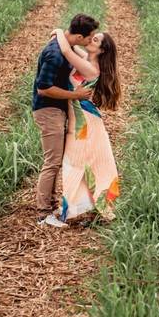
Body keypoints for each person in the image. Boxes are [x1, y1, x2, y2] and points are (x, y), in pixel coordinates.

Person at [41, 27, 123, 228]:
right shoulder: (87, 59)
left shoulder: (92, 68)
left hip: (85, 124)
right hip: (80, 122)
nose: (90, 40)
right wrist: (61, 36)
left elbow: (68, 51)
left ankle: (71, 210)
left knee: (74, 162)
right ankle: (83, 206)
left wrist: (59, 32)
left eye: (95, 40)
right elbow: (71, 48)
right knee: (79, 162)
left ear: (101, 50)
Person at [32, 13, 98, 227]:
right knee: (51, 162)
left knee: (55, 161)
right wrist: (75, 96)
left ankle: (50, 206)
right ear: (79, 36)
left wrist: (58, 32)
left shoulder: (63, 49)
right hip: (48, 110)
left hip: (56, 110)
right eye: (89, 38)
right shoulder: (55, 54)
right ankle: (43, 214)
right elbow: (43, 89)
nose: (90, 42)